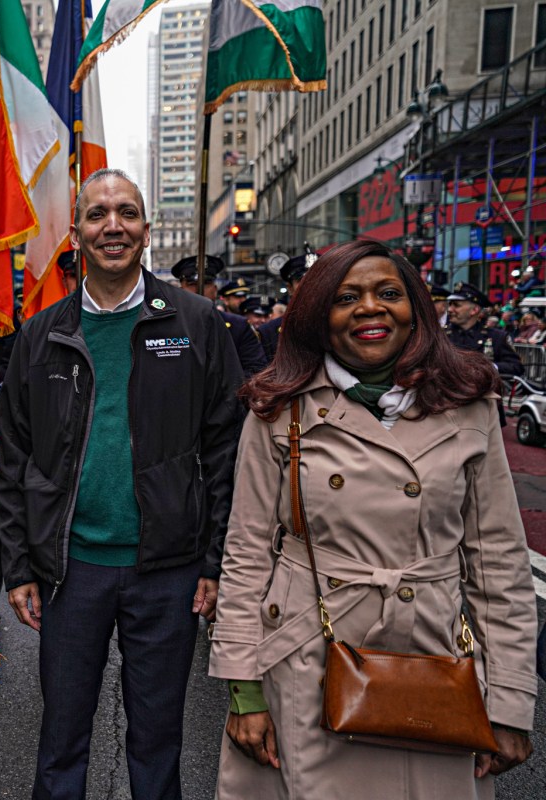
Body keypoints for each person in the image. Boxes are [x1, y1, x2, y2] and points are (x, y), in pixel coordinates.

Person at [211, 240, 537, 798]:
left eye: (389, 293)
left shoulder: (468, 403)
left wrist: (508, 700)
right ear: (320, 315)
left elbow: (499, 564)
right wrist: (244, 690)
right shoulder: (279, 407)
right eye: (347, 297)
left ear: (416, 310)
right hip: (307, 656)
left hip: (431, 664)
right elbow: (245, 555)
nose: (370, 308)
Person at [0, 168, 243, 799]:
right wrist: (20, 565)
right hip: (70, 570)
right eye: (98, 214)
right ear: (75, 233)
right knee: (61, 740)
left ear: (146, 229)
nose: (114, 226)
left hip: (169, 571)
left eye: (127, 213)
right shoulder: (40, 333)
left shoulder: (196, 323)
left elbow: (225, 453)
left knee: (158, 741)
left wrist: (217, 562)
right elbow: (15, 459)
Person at [171, 254, 267, 376]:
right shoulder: (169, 325)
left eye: (206, 283)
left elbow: (256, 370)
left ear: (215, 289)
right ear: (181, 289)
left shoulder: (238, 326)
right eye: (191, 284)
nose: (198, 289)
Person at [446, 282, 524, 378]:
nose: (450, 309)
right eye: (449, 304)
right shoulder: (440, 335)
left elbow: (516, 367)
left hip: (482, 390)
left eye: (456, 305)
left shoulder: (496, 337)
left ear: (474, 310)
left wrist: (489, 367)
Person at [258, 253, 316, 361]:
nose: (311, 284)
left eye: (317, 278)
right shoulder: (270, 332)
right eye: (302, 280)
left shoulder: (342, 323)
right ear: (290, 288)